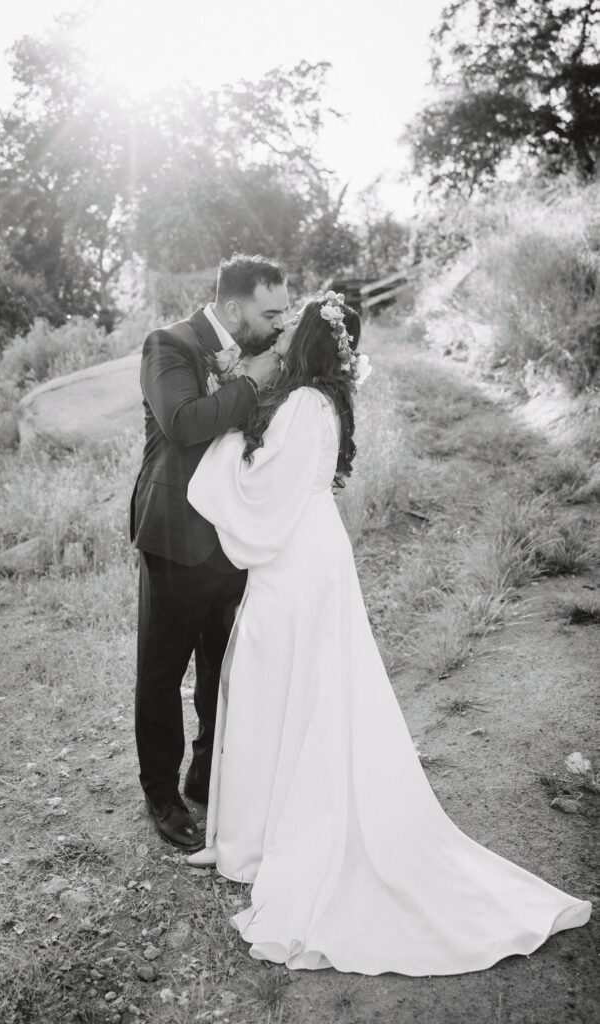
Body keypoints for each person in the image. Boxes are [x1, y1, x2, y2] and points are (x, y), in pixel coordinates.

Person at [185, 291, 591, 975]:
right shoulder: (322, 401)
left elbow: (264, 488)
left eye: (289, 333)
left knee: (286, 684)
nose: (278, 340)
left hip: (296, 561)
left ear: (307, 343)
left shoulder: (305, 404)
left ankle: (278, 838)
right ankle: (257, 834)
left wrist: (229, 443)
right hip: (309, 552)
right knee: (288, 685)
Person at [130, 253, 288, 852]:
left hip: (234, 534)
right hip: (174, 533)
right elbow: (183, 421)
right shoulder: (168, 345)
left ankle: (206, 770)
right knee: (162, 670)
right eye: (269, 312)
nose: (279, 324)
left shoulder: (264, 353)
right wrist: (250, 383)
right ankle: (161, 794)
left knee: (223, 667)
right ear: (231, 308)